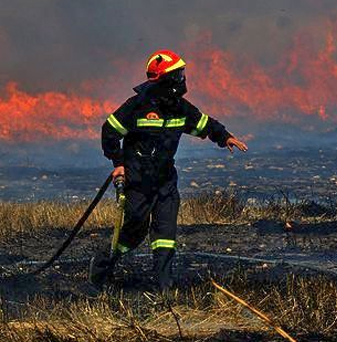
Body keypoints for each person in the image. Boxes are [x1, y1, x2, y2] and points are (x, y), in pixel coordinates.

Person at [89, 49, 249, 289]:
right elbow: (109, 132)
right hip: (138, 182)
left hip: (165, 181)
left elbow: (203, 123)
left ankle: (165, 289)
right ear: (165, 78)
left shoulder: (179, 108)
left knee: (166, 234)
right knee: (135, 229)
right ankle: (102, 268)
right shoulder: (137, 107)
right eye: (178, 73)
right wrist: (118, 163)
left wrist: (224, 137)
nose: (182, 78)